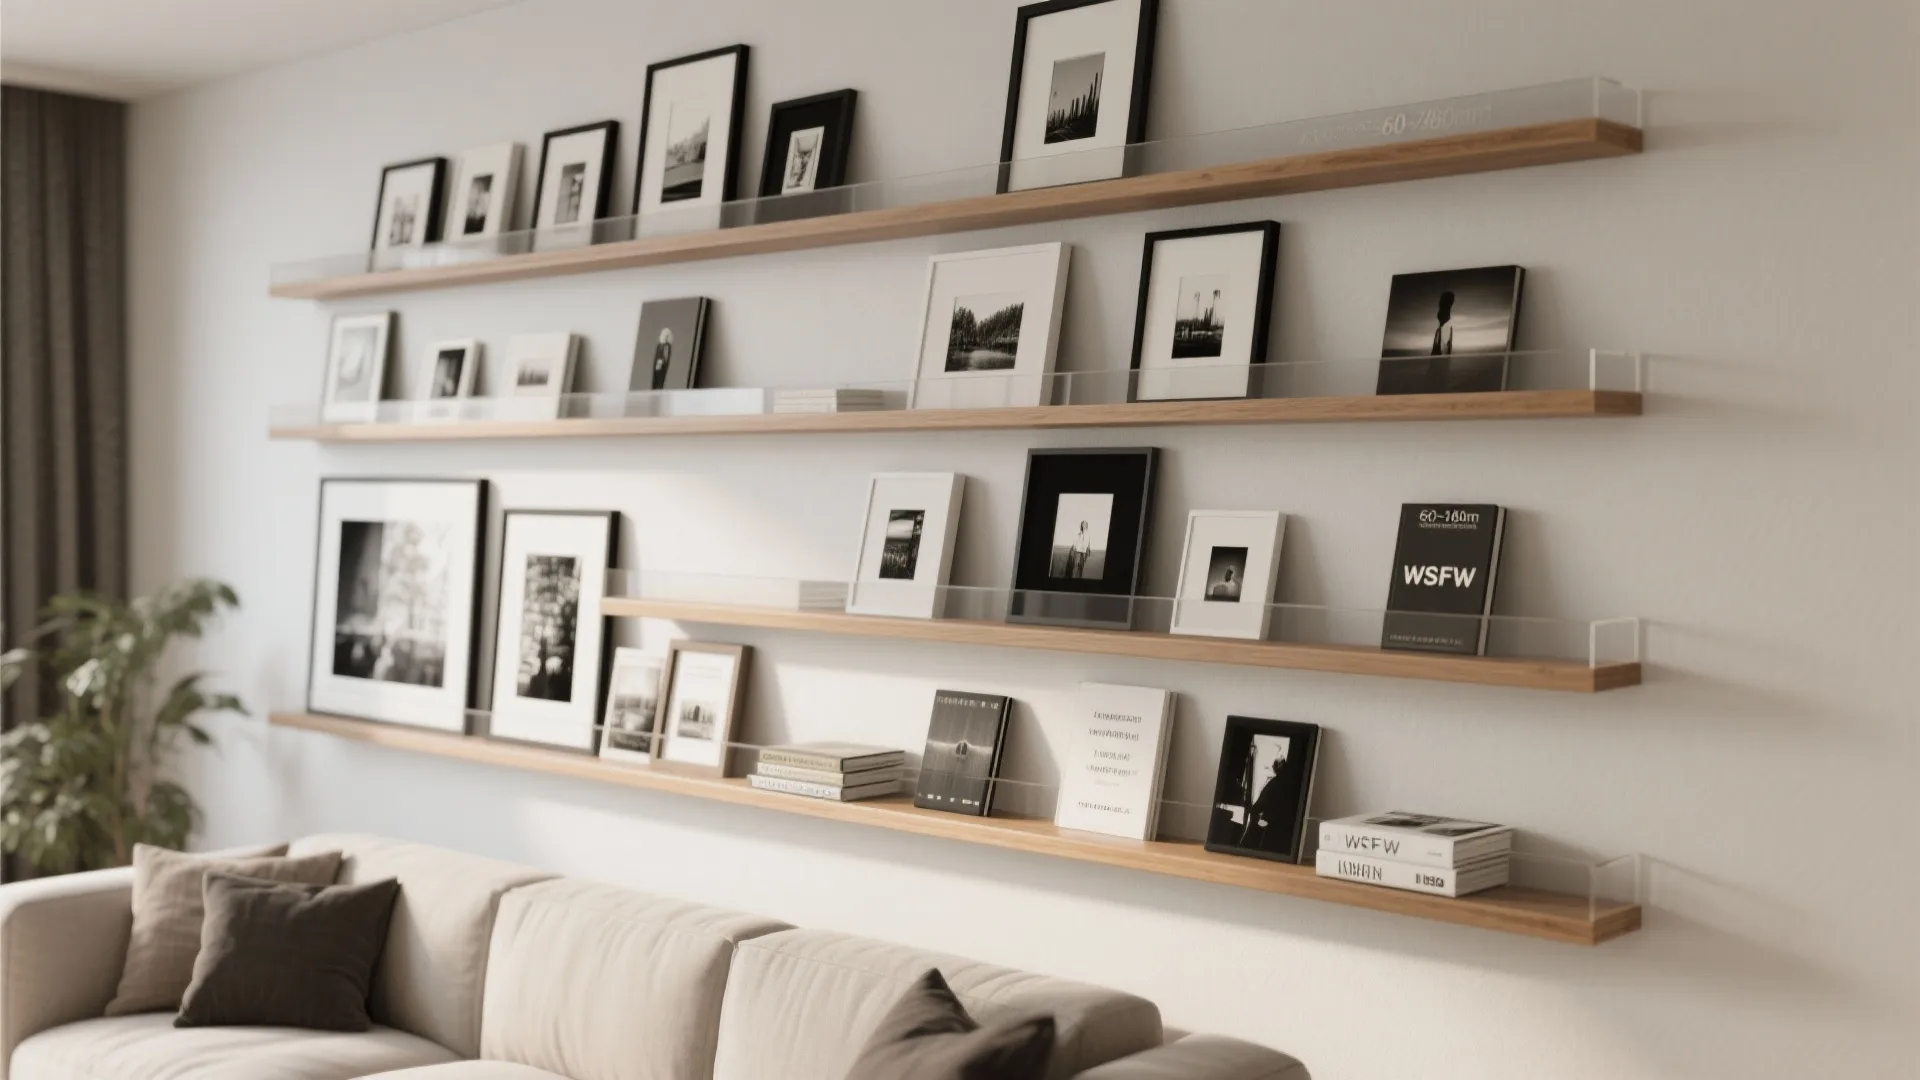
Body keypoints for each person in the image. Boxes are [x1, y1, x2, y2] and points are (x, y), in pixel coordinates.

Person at [1428, 290, 1455, 356]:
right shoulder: (1442, 330)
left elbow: (1447, 349)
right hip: (1440, 357)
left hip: (1440, 358)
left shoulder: (1444, 329)